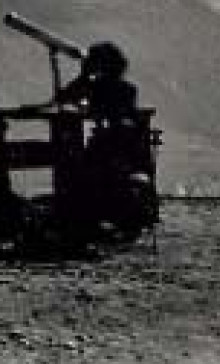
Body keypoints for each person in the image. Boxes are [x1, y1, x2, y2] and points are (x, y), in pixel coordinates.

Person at [53, 41, 154, 237]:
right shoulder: (129, 89)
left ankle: (84, 217)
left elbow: (63, 97)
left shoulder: (94, 87)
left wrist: (83, 76)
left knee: (80, 171)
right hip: (128, 146)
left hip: (106, 145)